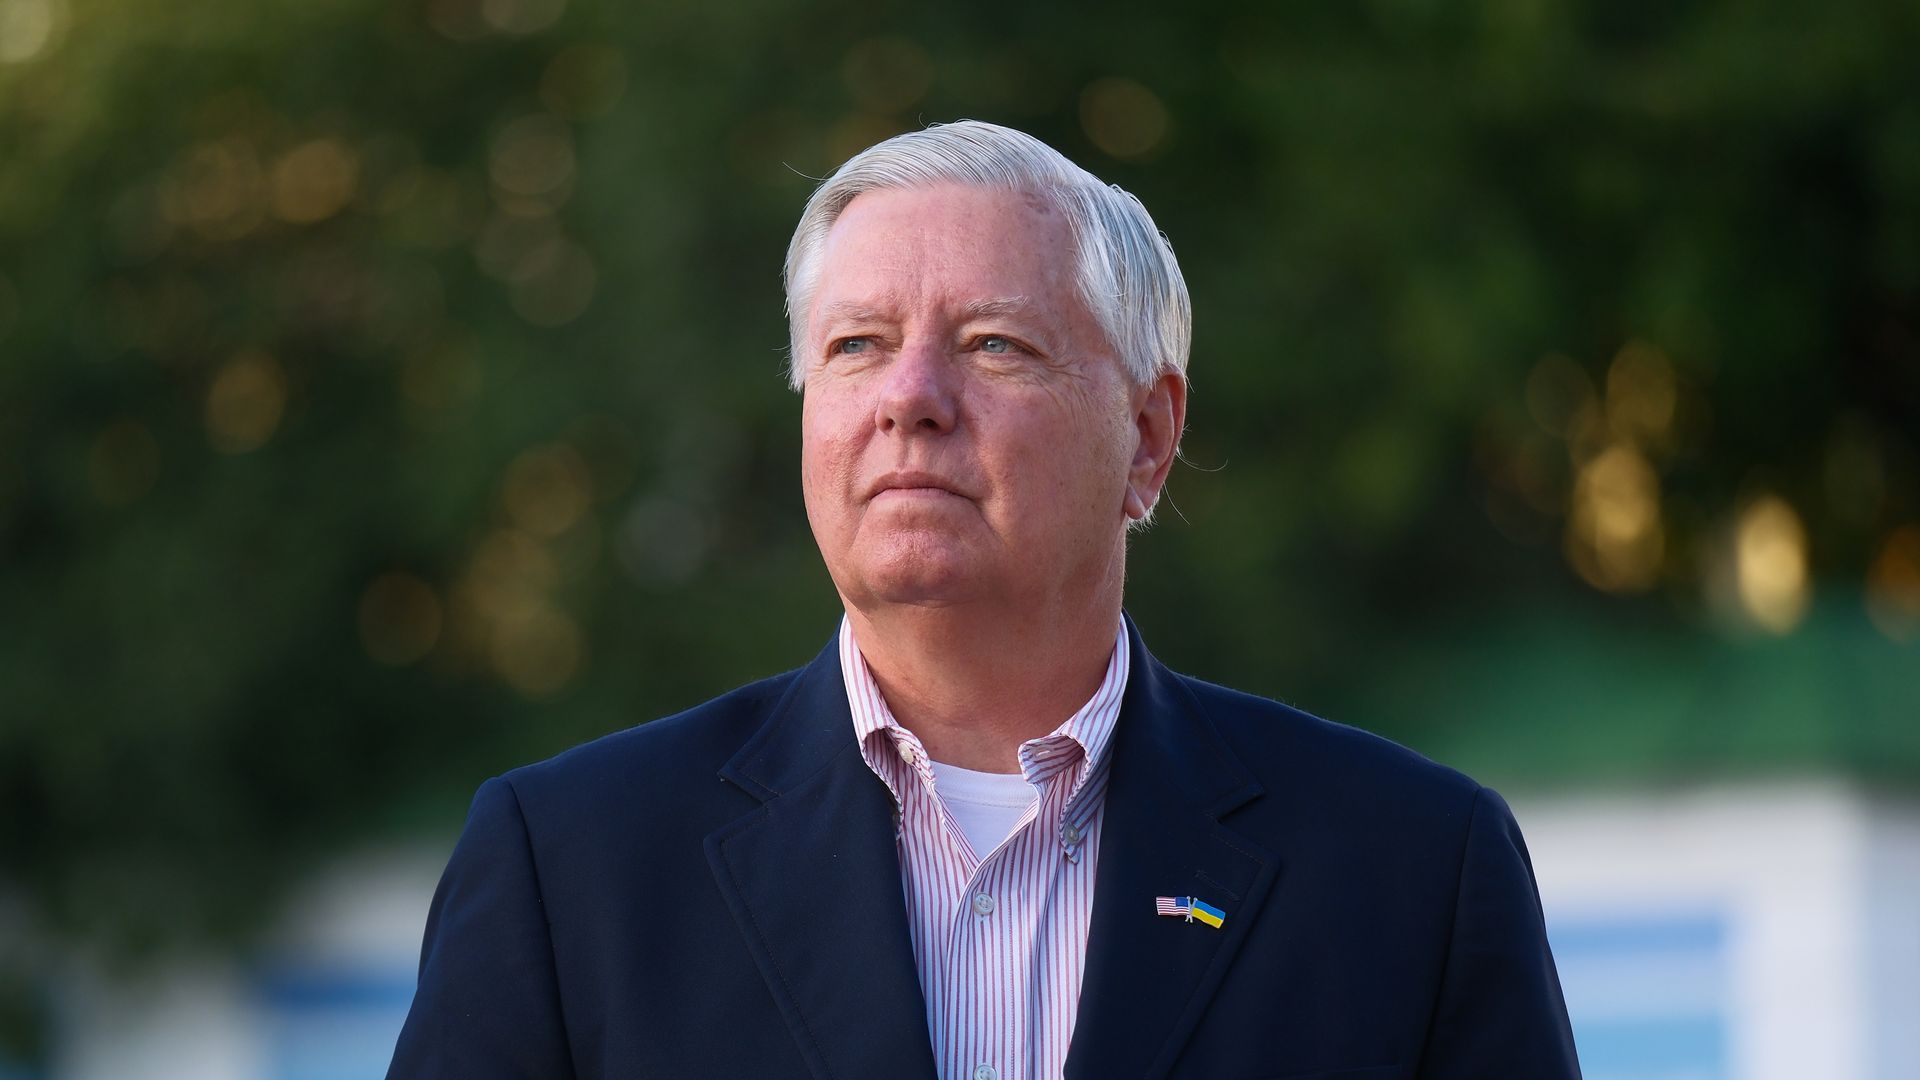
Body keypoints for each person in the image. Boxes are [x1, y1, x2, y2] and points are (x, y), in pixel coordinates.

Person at [387, 121, 1581, 1080]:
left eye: (995, 344)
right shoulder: (573, 868)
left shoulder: (1409, 868)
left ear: (1149, 438)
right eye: (856, 345)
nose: (910, 397)